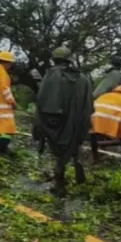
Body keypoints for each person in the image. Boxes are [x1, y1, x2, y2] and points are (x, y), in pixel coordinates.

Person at [34, 46, 93, 197]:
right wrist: (83, 126)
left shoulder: (50, 76)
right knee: (72, 147)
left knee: (58, 152)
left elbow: (41, 101)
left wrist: (39, 125)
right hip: (75, 124)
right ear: (69, 60)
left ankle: (59, 180)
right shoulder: (83, 80)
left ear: (55, 60)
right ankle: (71, 167)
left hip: (55, 124)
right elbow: (88, 106)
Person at [90, 85, 121, 165]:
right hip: (111, 118)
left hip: (94, 117)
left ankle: (95, 158)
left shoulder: (104, 96)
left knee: (93, 135)